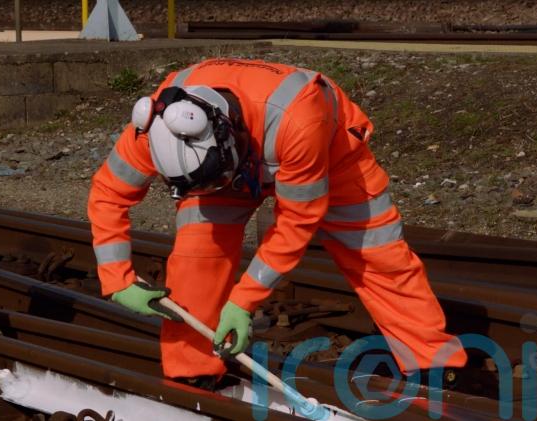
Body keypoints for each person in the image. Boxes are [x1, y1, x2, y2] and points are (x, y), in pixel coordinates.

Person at [88, 58, 468, 390]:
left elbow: (296, 222)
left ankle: (433, 366)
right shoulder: (154, 126)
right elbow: (108, 192)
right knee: (195, 263)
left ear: (227, 133)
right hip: (226, 167)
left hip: (327, 154)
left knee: (379, 256)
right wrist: (117, 279)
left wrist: (244, 300)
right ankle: (192, 375)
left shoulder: (300, 117)